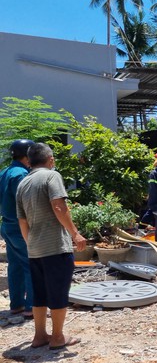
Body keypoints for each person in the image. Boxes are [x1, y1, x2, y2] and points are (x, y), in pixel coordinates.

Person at [16, 143, 86, 350]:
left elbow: (22, 221)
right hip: (55, 246)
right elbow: (58, 206)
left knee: (39, 293)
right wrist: (75, 233)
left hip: (35, 248)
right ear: (51, 159)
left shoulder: (23, 183)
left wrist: (31, 244)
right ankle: (57, 337)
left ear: (29, 161)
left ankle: (39, 336)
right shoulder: (51, 176)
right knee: (58, 292)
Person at [0, 139, 35, 319]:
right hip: (21, 227)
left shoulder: (4, 172)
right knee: (32, 265)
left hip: (6, 225)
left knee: (15, 266)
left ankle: (17, 305)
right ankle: (31, 307)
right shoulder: (21, 175)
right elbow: (27, 205)